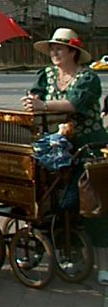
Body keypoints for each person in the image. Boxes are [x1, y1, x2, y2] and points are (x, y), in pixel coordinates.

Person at [21, 27, 108, 284]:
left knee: (90, 202)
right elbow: (35, 95)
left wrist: (43, 105)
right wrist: (31, 101)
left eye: (59, 48)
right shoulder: (46, 75)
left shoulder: (88, 79)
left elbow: (74, 105)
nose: (54, 53)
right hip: (54, 147)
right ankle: (50, 248)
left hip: (87, 147)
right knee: (45, 198)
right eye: (52, 49)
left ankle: (103, 263)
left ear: (73, 51)